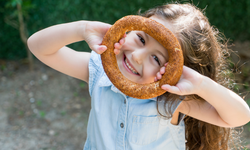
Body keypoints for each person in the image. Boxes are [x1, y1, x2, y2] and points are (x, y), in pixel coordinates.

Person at [27, 2, 250, 150]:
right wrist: (81, 29)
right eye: (141, 39)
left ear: (174, 70)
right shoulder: (99, 72)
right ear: (132, 27)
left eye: (157, 59)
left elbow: (239, 117)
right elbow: (38, 46)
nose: (137, 57)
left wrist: (201, 84)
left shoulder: (171, 98)